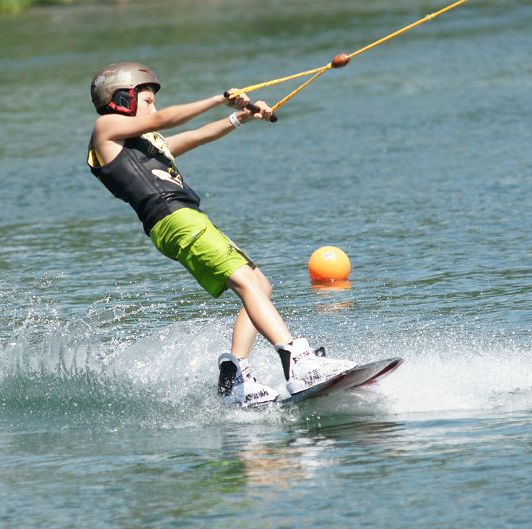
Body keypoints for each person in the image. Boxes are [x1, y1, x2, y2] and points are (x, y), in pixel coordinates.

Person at [87, 62, 354, 407]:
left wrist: (238, 118)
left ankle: (237, 375)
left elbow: (193, 137)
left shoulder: (145, 144)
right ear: (122, 99)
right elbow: (160, 120)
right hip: (174, 219)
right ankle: (297, 362)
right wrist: (218, 99)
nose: (153, 107)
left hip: (188, 218)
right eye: (148, 99)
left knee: (260, 285)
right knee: (245, 282)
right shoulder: (105, 127)